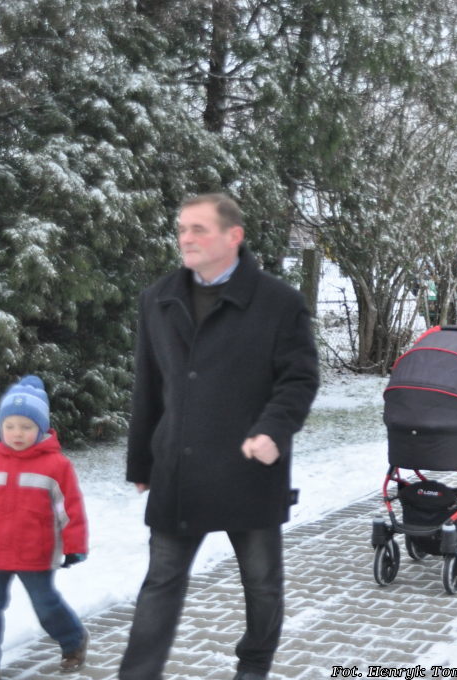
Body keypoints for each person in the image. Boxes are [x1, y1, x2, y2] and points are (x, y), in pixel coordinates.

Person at [120, 194, 320, 680]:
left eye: (199, 229)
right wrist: (141, 463)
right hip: (179, 468)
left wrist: (273, 430)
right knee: (161, 582)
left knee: (262, 582)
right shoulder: (158, 299)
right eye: (182, 228)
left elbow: (299, 378)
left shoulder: (278, 302)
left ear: (234, 236)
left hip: (249, 468)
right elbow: (149, 385)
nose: (186, 238)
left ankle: (253, 665)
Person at [0, 376, 89, 678]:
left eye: (26, 426)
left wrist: (74, 546)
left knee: (46, 605)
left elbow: (69, 510)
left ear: (41, 428)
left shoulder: (56, 466)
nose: (17, 433)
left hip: (36, 553)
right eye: (10, 426)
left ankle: (73, 640)